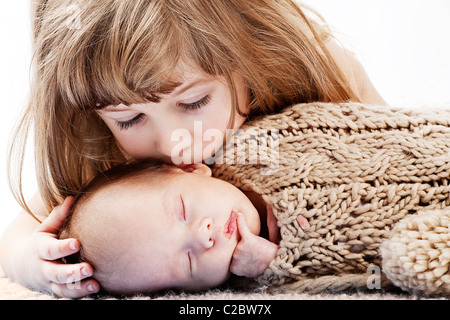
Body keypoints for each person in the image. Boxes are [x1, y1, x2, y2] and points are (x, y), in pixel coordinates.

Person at [0, 0, 386, 298]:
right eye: (129, 120)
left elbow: (406, 158)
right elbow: (22, 232)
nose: (172, 143)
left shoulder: (321, 74)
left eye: (194, 102)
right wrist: (30, 263)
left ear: (245, 60)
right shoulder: (120, 168)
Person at [58, 160, 292, 295]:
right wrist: (274, 263)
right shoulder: (252, 283)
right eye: (188, 262)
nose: (203, 236)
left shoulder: (248, 149)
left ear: (191, 169)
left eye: (183, 211)